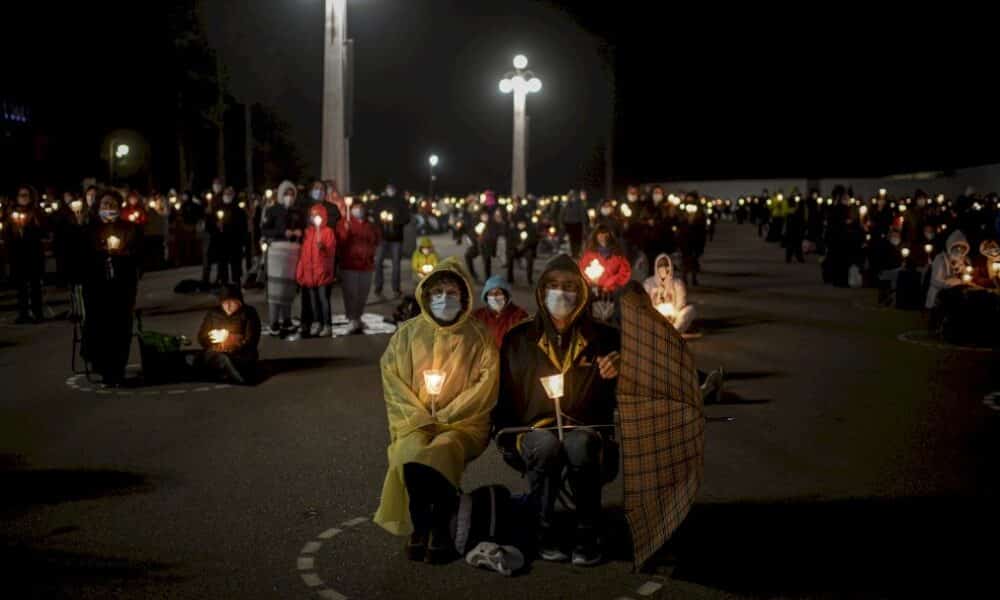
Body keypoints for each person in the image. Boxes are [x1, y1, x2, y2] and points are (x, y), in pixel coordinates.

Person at [493, 255, 621, 566]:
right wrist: (504, 436)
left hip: (586, 426)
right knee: (547, 445)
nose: (560, 293)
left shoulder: (605, 337)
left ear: (581, 292)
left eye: (568, 286)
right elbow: (504, 397)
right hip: (532, 429)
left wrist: (623, 368)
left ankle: (586, 531)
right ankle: (543, 528)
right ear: (540, 291)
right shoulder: (518, 339)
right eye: (552, 285)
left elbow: (641, 382)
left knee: (579, 444)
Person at [374, 258, 499, 565]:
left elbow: (486, 386)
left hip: (462, 425)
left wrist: (448, 414)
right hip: (415, 421)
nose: (444, 298)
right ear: (426, 296)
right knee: (411, 455)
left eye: (452, 290)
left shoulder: (479, 336)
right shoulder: (407, 335)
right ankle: (421, 525)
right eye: (437, 291)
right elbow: (392, 381)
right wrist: (420, 417)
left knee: (442, 450)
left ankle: (441, 525)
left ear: (465, 294)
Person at [81, 192, 141, 386]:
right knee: (101, 327)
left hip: (122, 287)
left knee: (121, 328)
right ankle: (104, 367)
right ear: (98, 206)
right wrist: (102, 253)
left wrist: (120, 254)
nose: (109, 206)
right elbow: (82, 255)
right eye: (105, 203)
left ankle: (118, 368)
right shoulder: (90, 229)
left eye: (113, 203)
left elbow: (138, 253)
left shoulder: (129, 228)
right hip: (97, 287)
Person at [193, 284, 261, 384]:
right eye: (225, 303)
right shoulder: (213, 314)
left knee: (226, 359)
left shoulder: (248, 313)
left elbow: (252, 340)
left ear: (239, 302)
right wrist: (213, 339)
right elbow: (201, 338)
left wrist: (230, 339)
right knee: (202, 358)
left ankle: (237, 376)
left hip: (240, 354)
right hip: (217, 351)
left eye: (232, 303)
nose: (228, 306)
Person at [262, 180, 304, 338]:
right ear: (281, 195)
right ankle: (274, 321)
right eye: (286, 194)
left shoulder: (297, 211)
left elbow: (304, 227)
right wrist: (282, 232)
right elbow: (265, 230)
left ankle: (286, 320)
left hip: (292, 253)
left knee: (288, 289)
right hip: (277, 253)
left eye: (292, 194)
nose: (289, 197)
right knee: (275, 289)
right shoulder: (273, 210)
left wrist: (300, 232)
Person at [335, 198, 381, 334]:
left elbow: (376, 240)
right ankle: (351, 318)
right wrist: (346, 231)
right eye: (356, 207)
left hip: (366, 265)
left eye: (361, 207)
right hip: (350, 265)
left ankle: (358, 317)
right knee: (351, 294)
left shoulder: (370, 225)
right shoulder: (344, 223)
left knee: (362, 294)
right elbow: (340, 242)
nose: (359, 210)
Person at [3, 185, 47, 323]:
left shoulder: (36, 213)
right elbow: (7, 234)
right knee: (21, 287)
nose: (23, 198)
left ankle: (37, 313)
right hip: (18, 255)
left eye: (26, 195)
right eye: (21, 195)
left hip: (33, 254)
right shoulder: (11, 214)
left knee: (35, 286)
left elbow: (43, 231)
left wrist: (29, 229)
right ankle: (23, 313)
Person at [297, 204, 336, 337]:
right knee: (313, 301)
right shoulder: (308, 233)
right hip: (310, 274)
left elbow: (331, 252)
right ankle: (317, 323)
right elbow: (304, 254)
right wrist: (301, 272)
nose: (315, 218)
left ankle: (327, 324)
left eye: (317, 215)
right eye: (313, 215)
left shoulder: (328, 232)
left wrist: (323, 248)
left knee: (323, 300)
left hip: (322, 273)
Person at [372, 184, 411, 300]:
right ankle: (378, 287)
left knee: (396, 264)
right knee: (378, 262)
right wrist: (381, 219)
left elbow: (407, 218)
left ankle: (396, 288)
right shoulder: (381, 200)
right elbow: (375, 214)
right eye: (388, 187)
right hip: (382, 237)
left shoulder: (401, 201)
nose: (390, 189)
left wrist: (395, 220)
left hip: (396, 237)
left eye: (392, 187)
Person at [472, 275, 530, 349]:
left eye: (498, 293)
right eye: (491, 294)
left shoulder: (519, 316)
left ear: (506, 296)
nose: (494, 297)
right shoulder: (478, 315)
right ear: (486, 297)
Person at [643, 254, 696, 333]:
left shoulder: (677, 283)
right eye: (660, 265)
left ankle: (673, 332)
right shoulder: (648, 283)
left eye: (666, 265)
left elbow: (681, 303)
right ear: (656, 267)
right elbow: (645, 303)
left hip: (673, 316)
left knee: (690, 310)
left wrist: (672, 315)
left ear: (670, 266)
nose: (664, 268)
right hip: (655, 316)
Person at [578, 224, 632, 294]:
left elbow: (625, 272)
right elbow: (582, 269)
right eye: (600, 235)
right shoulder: (589, 255)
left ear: (610, 236)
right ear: (596, 237)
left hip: (613, 292)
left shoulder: (618, 255)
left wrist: (610, 284)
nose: (603, 237)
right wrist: (591, 282)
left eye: (605, 235)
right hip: (593, 291)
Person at [927, 230, 970, 310]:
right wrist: (951, 283)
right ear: (951, 246)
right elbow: (935, 281)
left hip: (954, 294)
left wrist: (966, 276)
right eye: (957, 247)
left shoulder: (961, 261)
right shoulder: (940, 259)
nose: (959, 251)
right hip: (938, 296)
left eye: (962, 248)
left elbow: (965, 275)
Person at [216, 186, 248, 286]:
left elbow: (243, 227)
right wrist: (217, 225)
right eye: (226, 193)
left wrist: (243, 242)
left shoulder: (238, 210)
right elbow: (210, 224)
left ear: (233, 196)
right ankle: (224, 286)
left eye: (230, 194)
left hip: (235, 242)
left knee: (236, 267)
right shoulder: (218, 208)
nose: (227, 196)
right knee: (222, 265)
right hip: (222, 242)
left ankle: (237, 285)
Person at [465, 209, 500, 283]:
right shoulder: (477, 223)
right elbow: (471, 233)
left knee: (487, 261)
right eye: (483, 216)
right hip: (476, 246)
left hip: (486, 246)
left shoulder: (492, 224)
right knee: (467, 255)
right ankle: (473, 274)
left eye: (486, 216)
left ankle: (488, 279)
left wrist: (484, 237)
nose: (484, 217)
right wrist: (476, 236)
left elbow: (494, 236)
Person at [507, 217, 539, 285]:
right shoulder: (513, 231)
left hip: (526, 249)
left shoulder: (530, 231)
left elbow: (533, 241)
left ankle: (529, 278)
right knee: (510, 256)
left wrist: (525, 245)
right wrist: (516, 246)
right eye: (519, 224)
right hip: (515, 249)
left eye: (522, 224)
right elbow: (509, 242)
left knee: (530, 257)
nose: (521, 225)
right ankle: (510, 277)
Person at [560, 190, 587, 258]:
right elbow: (562, 215)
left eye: (574, 195)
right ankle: (572, 253)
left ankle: (576, 253)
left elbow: (583, 215)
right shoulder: (566, 204)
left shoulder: (580, 204)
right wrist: (561, 224)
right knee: (570, 240)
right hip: (568, 224)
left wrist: (584, 226)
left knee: (577, 240)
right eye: (571, 195)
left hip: (577, 224)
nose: (572, 197)